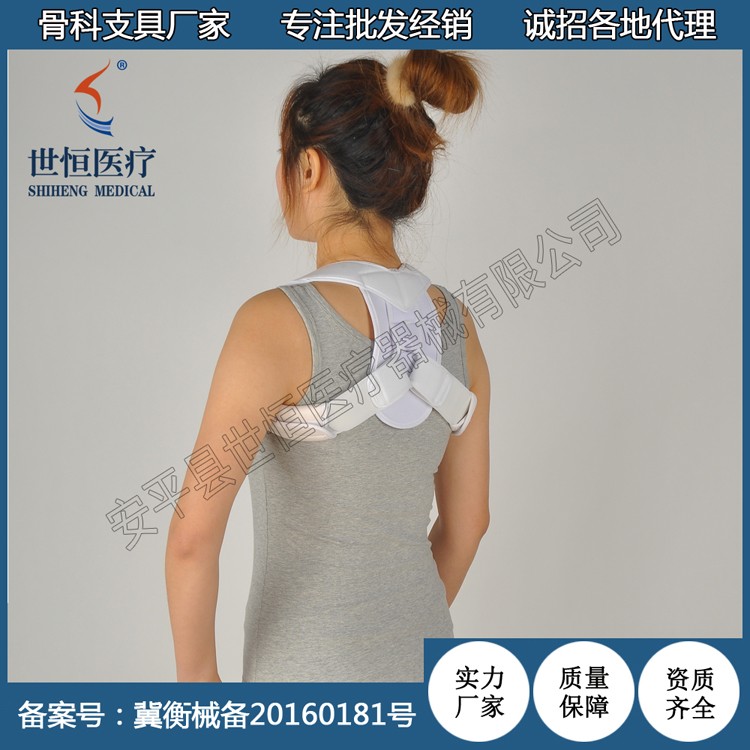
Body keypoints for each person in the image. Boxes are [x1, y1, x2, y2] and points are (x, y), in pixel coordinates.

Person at [165, 50, 491, 683]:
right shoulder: (458, 323)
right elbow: (469, 523)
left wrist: (200, 697)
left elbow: (191, 540)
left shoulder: (274, 322)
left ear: (309, 167)